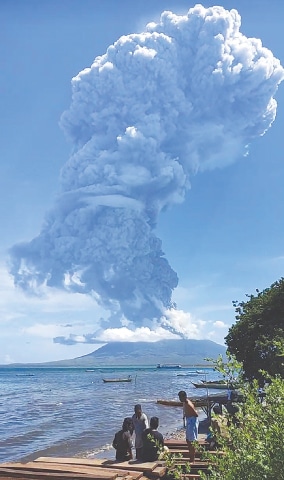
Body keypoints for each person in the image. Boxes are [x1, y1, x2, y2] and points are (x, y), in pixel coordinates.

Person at [178, 390, 199, 462]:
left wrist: (189, 416)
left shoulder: (188, 404)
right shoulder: (184, 402)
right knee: (188, 440)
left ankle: (192, 459)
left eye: (180, 397)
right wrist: (185, 415)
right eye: (179, 398)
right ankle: (191, 457)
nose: (179, 399)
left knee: (191, 441)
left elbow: (196, 414)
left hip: (192, 421)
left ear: (184, 397)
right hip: (189, 420)